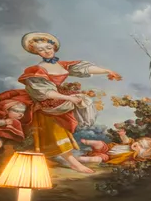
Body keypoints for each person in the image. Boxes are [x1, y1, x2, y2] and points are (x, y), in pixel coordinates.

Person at [17, 32, 122, 173]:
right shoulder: (36, 70)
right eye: (41, 50)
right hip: (45, 104)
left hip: (59, 101)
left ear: (54, 47)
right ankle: (74, 164)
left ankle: (67, 160)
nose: (46, 51)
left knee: (63, 128)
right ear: (36, 52)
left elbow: (84, 68)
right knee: (57, 133)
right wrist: (69, 98)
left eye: (48, 47)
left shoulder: (62, 65)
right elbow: (44, 92)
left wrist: (107, 71)